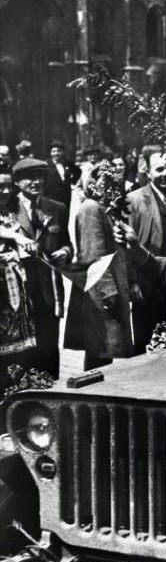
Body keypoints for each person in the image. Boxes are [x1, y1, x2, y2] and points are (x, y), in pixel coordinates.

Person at [64, 164, 132, 371]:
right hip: (100, 290)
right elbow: (94, 255)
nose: (111, 188)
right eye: (105, 182)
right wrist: (107, 292)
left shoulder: (102, 208)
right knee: (101, 348)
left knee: (105, 349)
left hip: (106, 287)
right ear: (92, 184)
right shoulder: (91, 208)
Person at [12, 157, 73, 379]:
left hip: (49, 292)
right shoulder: (7, 208)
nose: (36, 181)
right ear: (17, 181)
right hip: (19, 295)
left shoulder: (56, 208)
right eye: (30, 177)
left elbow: (67, 243)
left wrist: (65, 252)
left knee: (49, 350)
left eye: (40, 176)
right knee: (22, 354)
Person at [126, 148, 166, 354]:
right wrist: (132, 281)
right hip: (147, 282)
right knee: (146, 342)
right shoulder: (134, 200)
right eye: (159, 169)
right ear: (148, 172)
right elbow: (125, 246)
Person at [0, 163, 37, 394]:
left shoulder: (11, 210)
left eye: (7, 187)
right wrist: (16, 238)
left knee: (18, 347)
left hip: (14, 283)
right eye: (0, 187)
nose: (5, 192)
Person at [43, 140, 74, 210]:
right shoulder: (45, 165)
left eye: (59, 151)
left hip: (65, 201)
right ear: (50, 153)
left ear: (62, 152)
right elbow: (43, 185)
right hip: (51, 200)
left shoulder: (66, 164)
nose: (56, 153)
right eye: (53, 151)